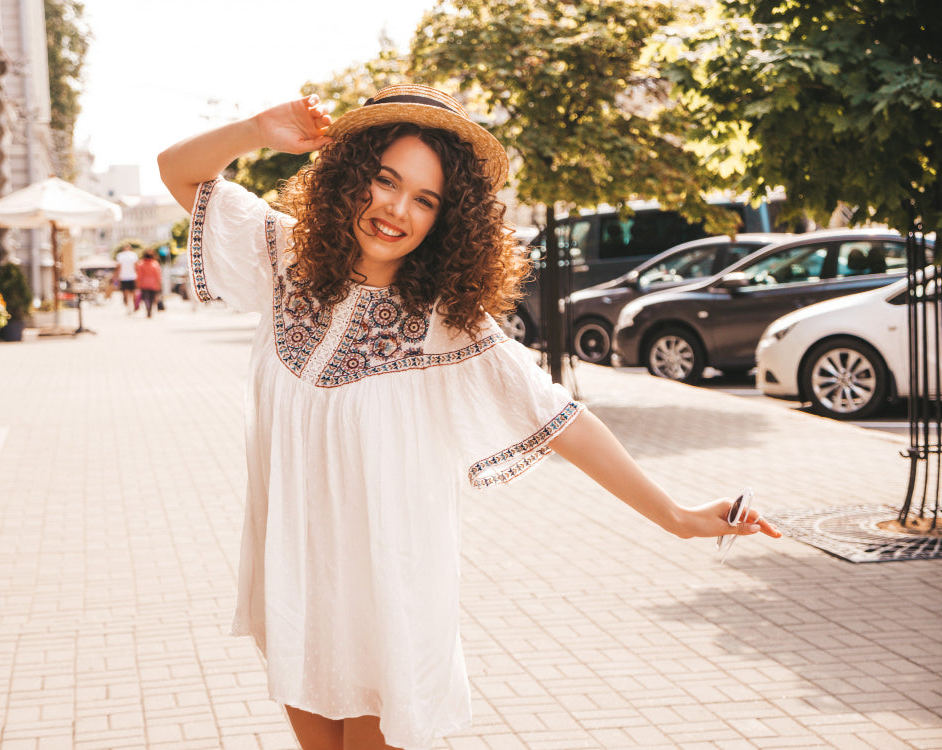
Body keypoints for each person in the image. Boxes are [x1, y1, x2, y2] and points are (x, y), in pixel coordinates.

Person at [157, 84, 780, 750]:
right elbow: (179, 171)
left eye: (425, 200)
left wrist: (677, 518)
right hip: (298, 589)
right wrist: (256, 128)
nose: (397, 209)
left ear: (446, 221)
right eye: (385, 181)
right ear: (348, 178)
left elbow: (562, 418)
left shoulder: (450, 329)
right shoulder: (282, 261)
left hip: (389, 604)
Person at [135, 249, 163, 317]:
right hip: (154, 284)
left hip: (144, 284)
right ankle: (150, 309)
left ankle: (148, 308)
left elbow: (139, 275)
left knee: (146, 298)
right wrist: (159, 284)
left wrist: (138, 284)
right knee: (152, 298)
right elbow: (158, 275)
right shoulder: (155, 264)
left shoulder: (141, 264)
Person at [112, 243, 139, 312]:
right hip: (132, 276)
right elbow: (136, 266)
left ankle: (128, 307)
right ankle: (133, 306)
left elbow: (118, 267)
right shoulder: (134, 255)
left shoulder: (120, 256)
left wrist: (116, 276)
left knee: (126, 293)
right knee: (133, 293)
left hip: (124, 276)